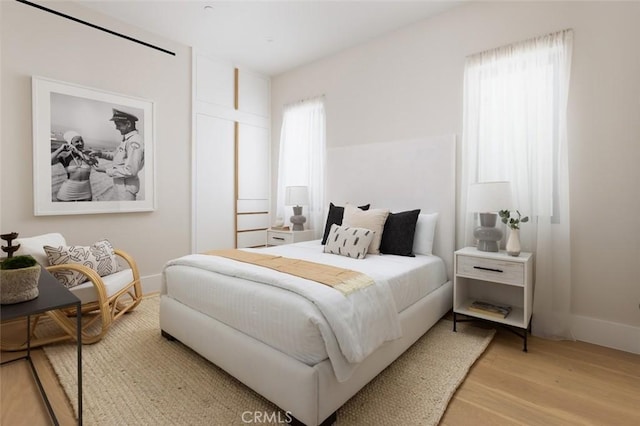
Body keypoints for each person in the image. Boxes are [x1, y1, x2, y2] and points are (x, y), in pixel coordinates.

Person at [92, 108, 145, 201]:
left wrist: (105, 170)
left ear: (128, 124)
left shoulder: (134, 141)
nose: (116, 128)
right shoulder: (127, 139)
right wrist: (100, 154)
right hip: (121, 186)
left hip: (126, 189)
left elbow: (131, 171)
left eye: (118, 125)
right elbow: (117, 157)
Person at [51, 130, 97, 201]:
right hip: (68, 192)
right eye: (77, 141)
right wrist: (60, 149)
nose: (80, 143)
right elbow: (48, 162)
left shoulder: (88, 154)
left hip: (86, 191)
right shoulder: (65, 155)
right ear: (70, 143)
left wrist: (78, 152)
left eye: (82, 141)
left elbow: (93, 162)